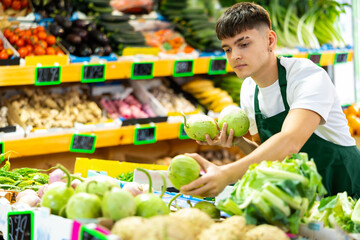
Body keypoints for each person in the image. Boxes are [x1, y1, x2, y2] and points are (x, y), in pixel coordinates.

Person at [180, 2, 360, 198]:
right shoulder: (249, 90)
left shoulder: (307, 76)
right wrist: (240, 141)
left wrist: (226, 173)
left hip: (347, 192)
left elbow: (290, 141)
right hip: (304, 198)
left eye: (244, 44)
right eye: (227, 49)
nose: (235, 56)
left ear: (270, 40)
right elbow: (270, 156)